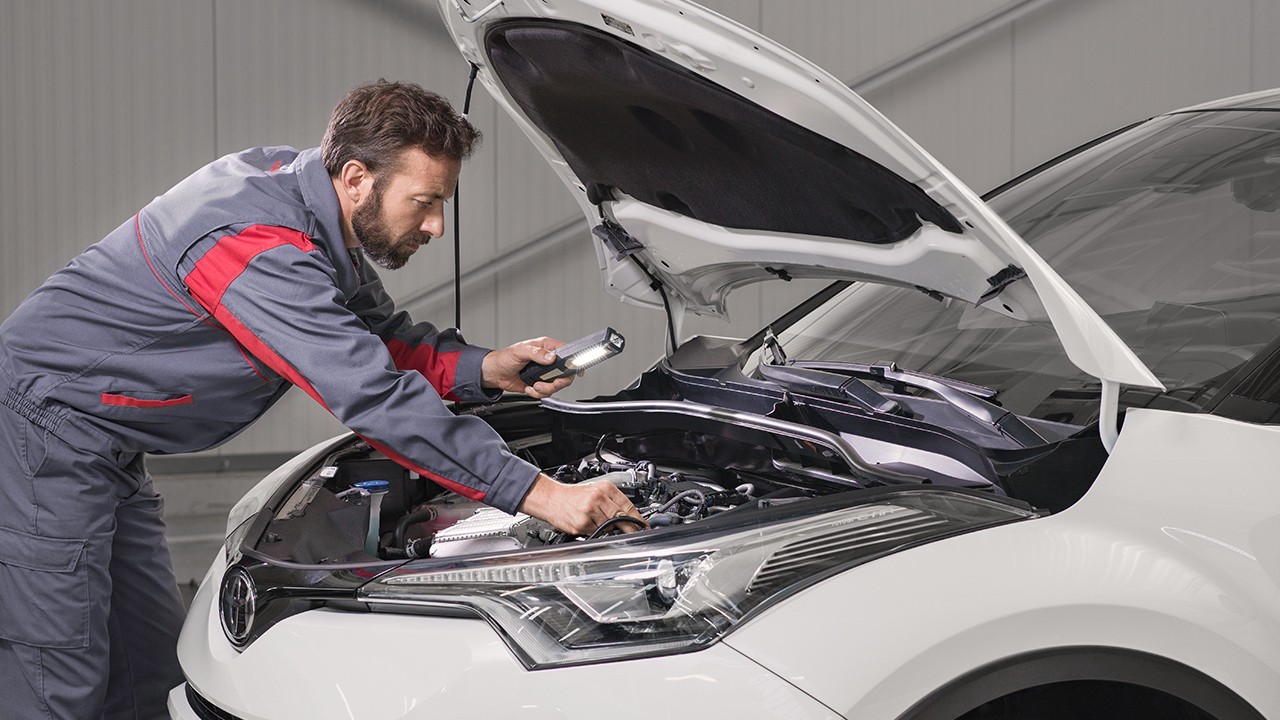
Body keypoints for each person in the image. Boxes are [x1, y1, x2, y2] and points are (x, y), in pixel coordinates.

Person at [0, 79, 643, 719]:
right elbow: (373, 397)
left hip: (109, 444)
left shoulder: (309, 206)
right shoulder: (255, 242)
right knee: (58, 670)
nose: (436, 225)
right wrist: (541, 495)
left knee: (146, 667)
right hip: (43, 432)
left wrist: (489, 368)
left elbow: (379, 341)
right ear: (358, 177)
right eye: (424, 202)